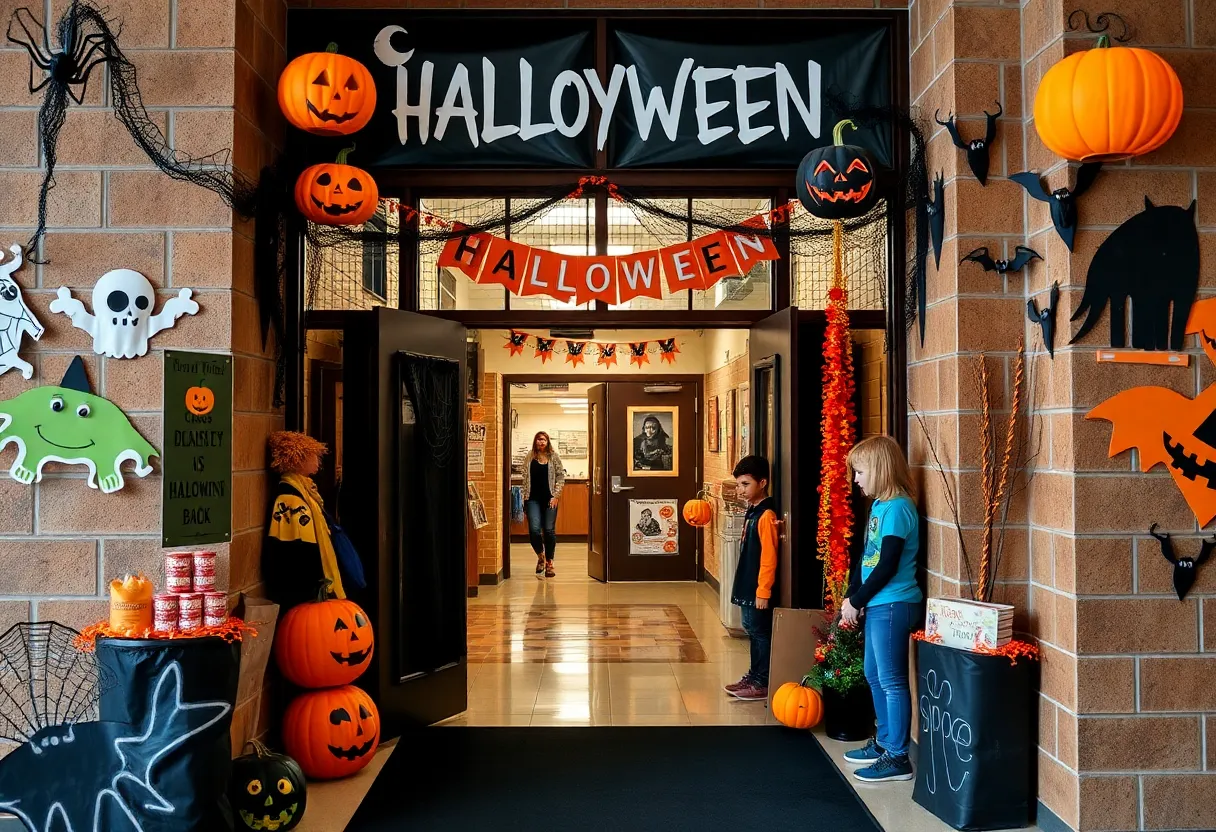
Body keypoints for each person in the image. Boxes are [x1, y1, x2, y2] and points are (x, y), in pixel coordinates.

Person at [841, 435, 922, 783]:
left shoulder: (899, 508)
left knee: (891, 680)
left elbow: (887, 564)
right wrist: (851, 595)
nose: (855, 479)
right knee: (874, 675)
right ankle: (884, 742)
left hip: (893, 604)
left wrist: (858, 601)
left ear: (879, 469)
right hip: (877, 603)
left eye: (860, 472)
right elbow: (866, 558)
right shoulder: (879, 506)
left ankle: (898, 756)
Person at [723, 455, 779, 702]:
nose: (741, 490)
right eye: (739, 485)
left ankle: (761, 681)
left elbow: (769, 557)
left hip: (758, 587)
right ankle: (753, 675)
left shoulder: (766, 515)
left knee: (759, 632)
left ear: (763, 483)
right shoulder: (753, 512)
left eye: (746, 484)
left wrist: (763, 591)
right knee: (751, 629)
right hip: (748, 583)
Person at [521, 430, 565, 578]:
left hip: (549, 499)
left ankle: (549, 563)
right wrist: (524, 497)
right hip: (532, 499)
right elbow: (524, 477)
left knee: (549, 530)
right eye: (539, 439)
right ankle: (541, 556)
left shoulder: (554, 457)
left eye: (544, 440)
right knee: (534, 530)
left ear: (547, 442)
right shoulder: (529, 457)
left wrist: (556, 495)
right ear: (535, 441)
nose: (541, 442)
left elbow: (560, 476)